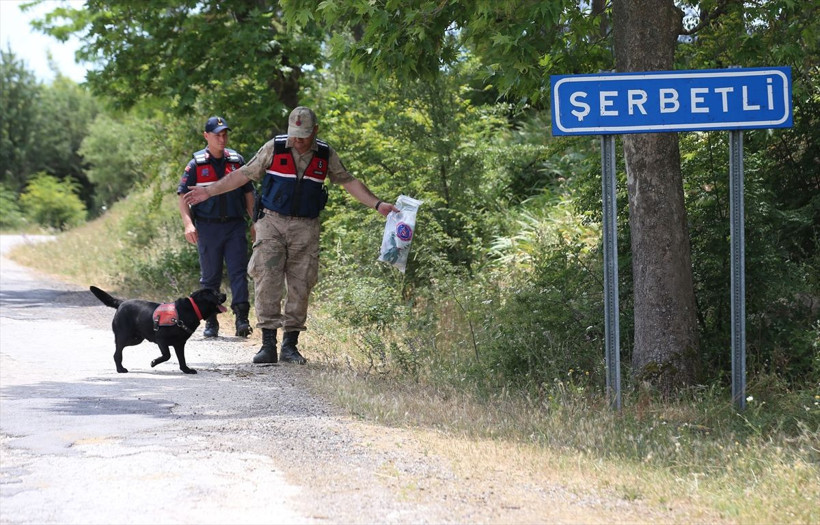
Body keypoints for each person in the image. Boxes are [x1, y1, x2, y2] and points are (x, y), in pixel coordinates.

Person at [183, 106, 399, 364]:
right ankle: (267, 345)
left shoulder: (324, 153)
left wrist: (377, 204)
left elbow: (348, 180)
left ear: (315, 131)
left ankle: (290, 346)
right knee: (267, 277)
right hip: (272, 222)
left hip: (306, 227)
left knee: (301, 283)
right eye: (294, 134)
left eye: (304, 135)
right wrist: (209, 191)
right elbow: (242, 175)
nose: (298, 140)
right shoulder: (275, 147)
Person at [178, 116, 256, 338]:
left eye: (224, 134)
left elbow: (248, 193)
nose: (222, 139)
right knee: (210, 277)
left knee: (238, 273)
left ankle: (242, 319)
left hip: (234, 226)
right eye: (216, 135)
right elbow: (183, 196)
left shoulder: (236, 161)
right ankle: (211, 321)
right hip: (208, 227)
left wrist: (254, 221)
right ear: (206, 136)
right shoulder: (196, 164)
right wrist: (188, 224)